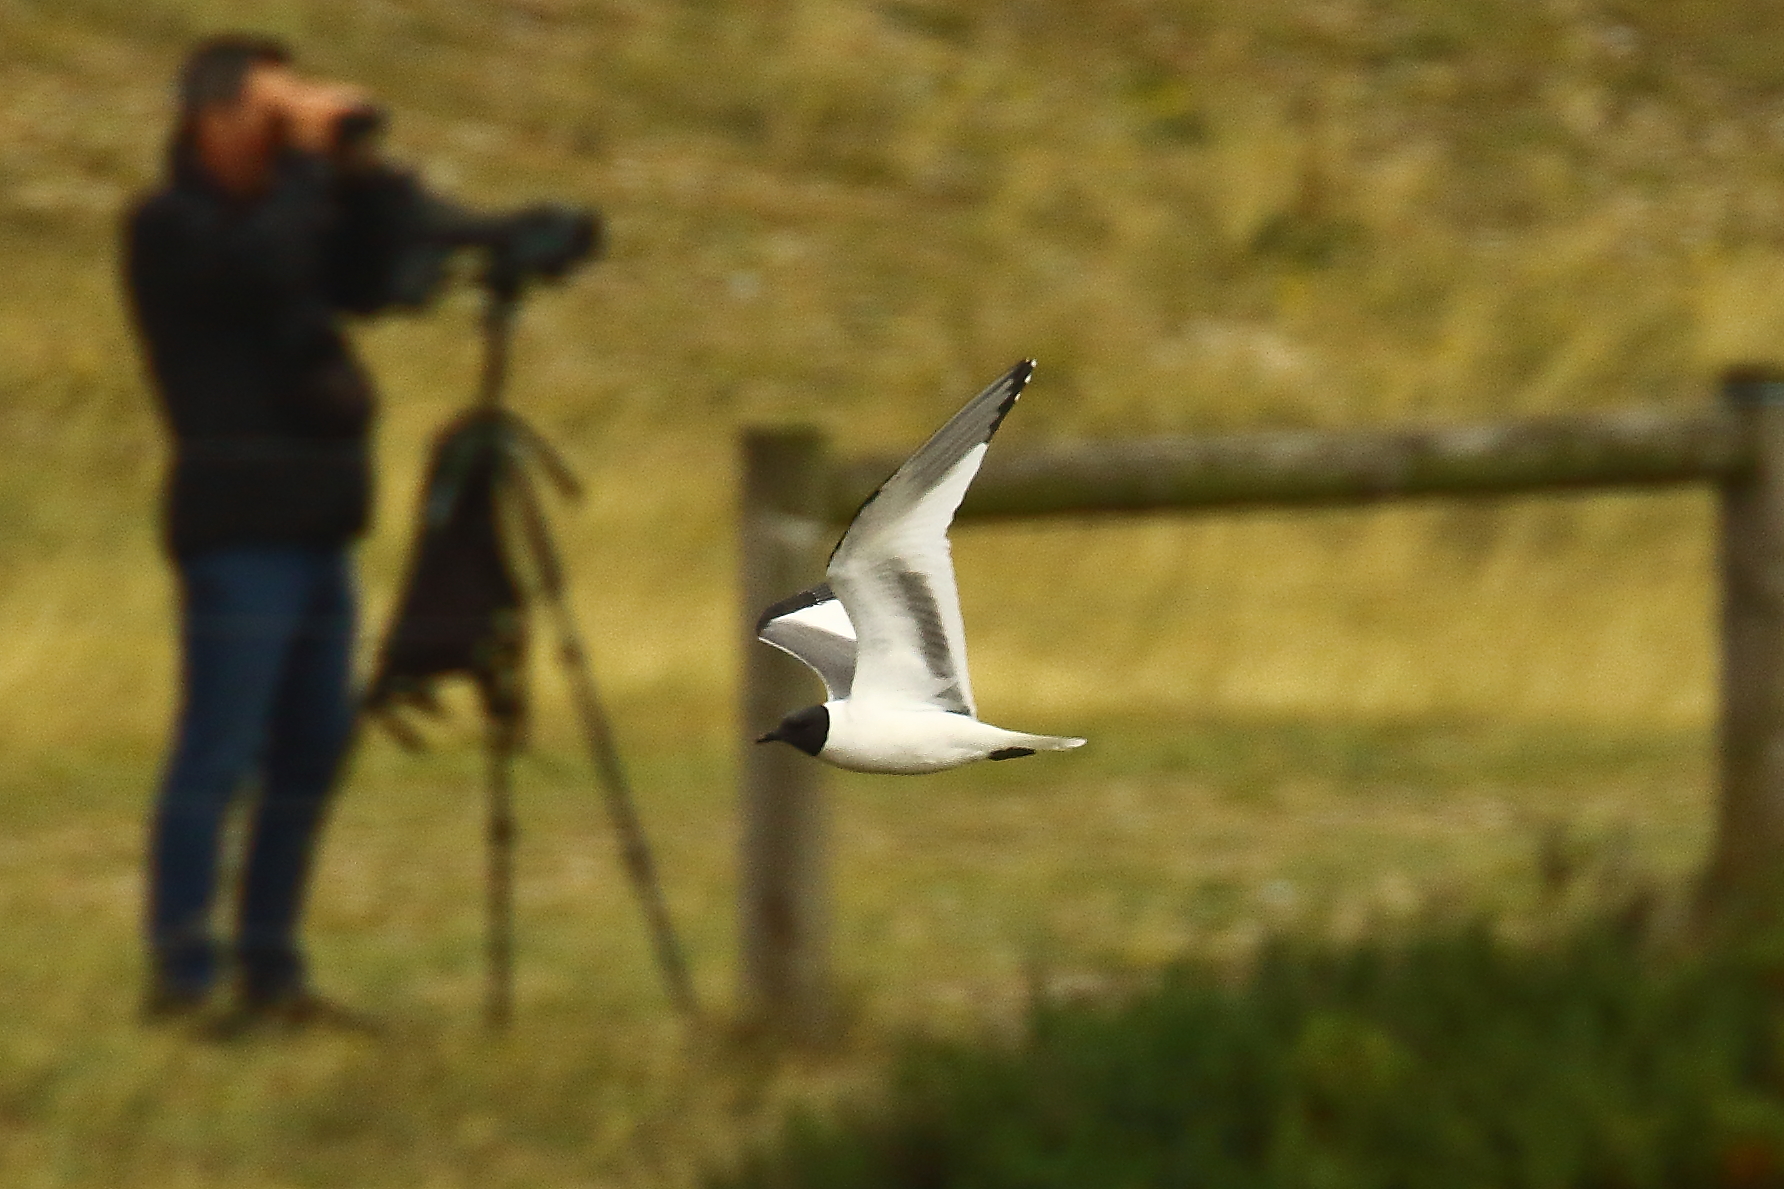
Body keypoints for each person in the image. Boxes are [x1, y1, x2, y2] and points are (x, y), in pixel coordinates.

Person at [123, 35, 427, 1027]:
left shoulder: (297, 217)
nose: (288, 132)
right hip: (237, 529)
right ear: (208, 122)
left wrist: (359, 169)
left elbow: (377, 280)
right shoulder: (168, 227)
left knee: (308, 748)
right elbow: (256, 273)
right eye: (268, 114)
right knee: (220, 749)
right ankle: (183, 973)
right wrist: (304, 167)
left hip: (318, 526)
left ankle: (270, 968)